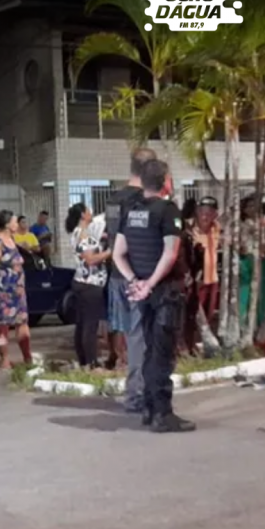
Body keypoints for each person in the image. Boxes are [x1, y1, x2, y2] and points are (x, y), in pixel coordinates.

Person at [113, 159, 195, 433]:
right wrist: (149, 284)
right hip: (164, 293)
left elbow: (118, 254)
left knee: (150, 351)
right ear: (166, 181)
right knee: (162, 354)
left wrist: (135, 281)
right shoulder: (167, 210)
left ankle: (149, 410)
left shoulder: (131, 210)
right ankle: (162, 414)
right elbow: (170, 254)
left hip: (144, 294)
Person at [104, 147, 157, 411]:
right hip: (137, 276)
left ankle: (137, 392)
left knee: (130, 335)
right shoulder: (142, 200)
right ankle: (136, 395)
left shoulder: (113, 199)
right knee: (139, 338)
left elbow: (111, 236)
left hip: (117, 274)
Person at [66, 203, 110, 368]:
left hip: (82, 282)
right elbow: (90, 259)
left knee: (82, 323)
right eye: (88, 210)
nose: (91, 213)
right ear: (83, 215)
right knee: (90, 325)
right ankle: (91, 361)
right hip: (90, 283)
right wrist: (109, 252)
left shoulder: (78, 232)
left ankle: (84, 359)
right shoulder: (83, 235)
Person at [0, 210, 32, 369]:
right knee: (2, 325)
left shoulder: (12, 240)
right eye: (14, 221)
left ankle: (28, 358)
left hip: (18, 291)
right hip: (3, 292)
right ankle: (5, 359)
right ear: (7, 224)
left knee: (22, 322)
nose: (17, 224)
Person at [184, 196, 221, 352]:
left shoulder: (216, 228)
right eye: (203, 212)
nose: (206, 216)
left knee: (209, 314)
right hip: (197, 280)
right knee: (193, 315)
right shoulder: (190, 230)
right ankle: (189, 345)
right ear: (197, 212)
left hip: (212, 278)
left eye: (210, 213)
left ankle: (204, 344)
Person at [239, 195, 265, 328]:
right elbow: (241, 244)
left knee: (264, 288)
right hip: (248, 259)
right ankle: (243, 323)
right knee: (246, 290)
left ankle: (262, 320)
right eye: (248, 206)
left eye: (254, 206)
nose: (252, 209)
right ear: (244, 210)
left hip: (264, 257)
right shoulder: (242, 224)